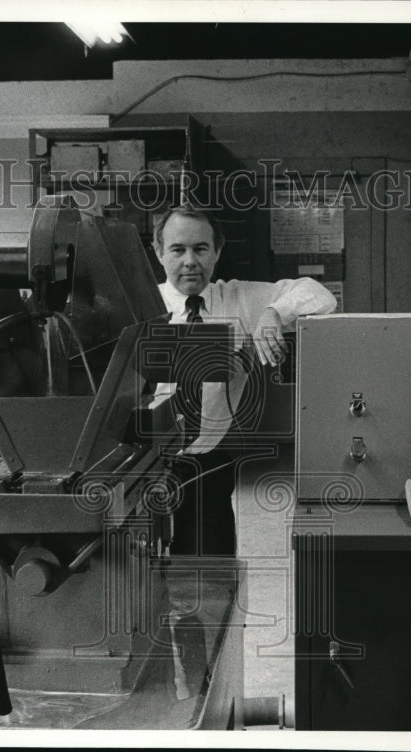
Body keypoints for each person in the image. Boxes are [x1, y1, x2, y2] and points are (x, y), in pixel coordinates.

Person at [152, 206, 337, 556]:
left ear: (217, 252)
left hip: (208, 467)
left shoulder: (238, 298)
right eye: (178, 249)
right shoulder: (143, 302)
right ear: (159, 252)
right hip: (144, 467)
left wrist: (273, 313)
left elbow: (320, 295)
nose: (190, 260)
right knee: (141, 581)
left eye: (201, 249)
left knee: (212, 580)